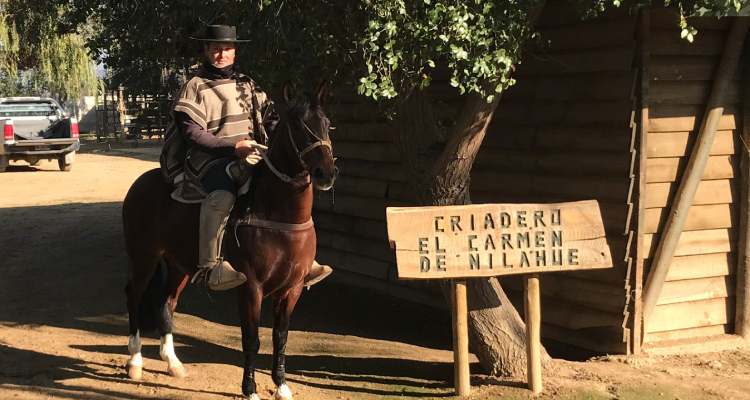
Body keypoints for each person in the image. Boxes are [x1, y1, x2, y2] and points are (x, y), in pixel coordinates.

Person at [160, 24, 331, 291]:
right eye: (216, 49)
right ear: (206, 50)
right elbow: (191, 133)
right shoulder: (194, 87)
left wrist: (281, 135)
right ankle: (211, 266)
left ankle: (305, 260)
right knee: (222, 197)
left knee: (290, 187)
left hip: (251, 153)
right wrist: (232, 148)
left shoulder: (247, 84)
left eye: (227, 49)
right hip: (209, 160)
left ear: (234, 51)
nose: (221, 54)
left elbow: (271, 119)